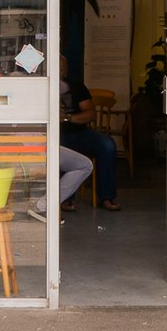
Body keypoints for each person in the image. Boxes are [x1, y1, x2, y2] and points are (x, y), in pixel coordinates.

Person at [58, 74, 120, 210]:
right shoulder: (43, 84)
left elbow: (91, 114)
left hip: (79, 132)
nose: (60, 70)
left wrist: (67, 118)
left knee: (107, 145)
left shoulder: (76, 86)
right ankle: (65, 198)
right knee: (61, 148)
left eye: (63, 67)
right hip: (56, 135)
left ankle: (107, 197)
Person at [28, 144, 94, 224]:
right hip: (36, 146)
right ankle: (42, 206)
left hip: (40, 143)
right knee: (85, 166)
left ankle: (42, 205)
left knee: (85, 164)